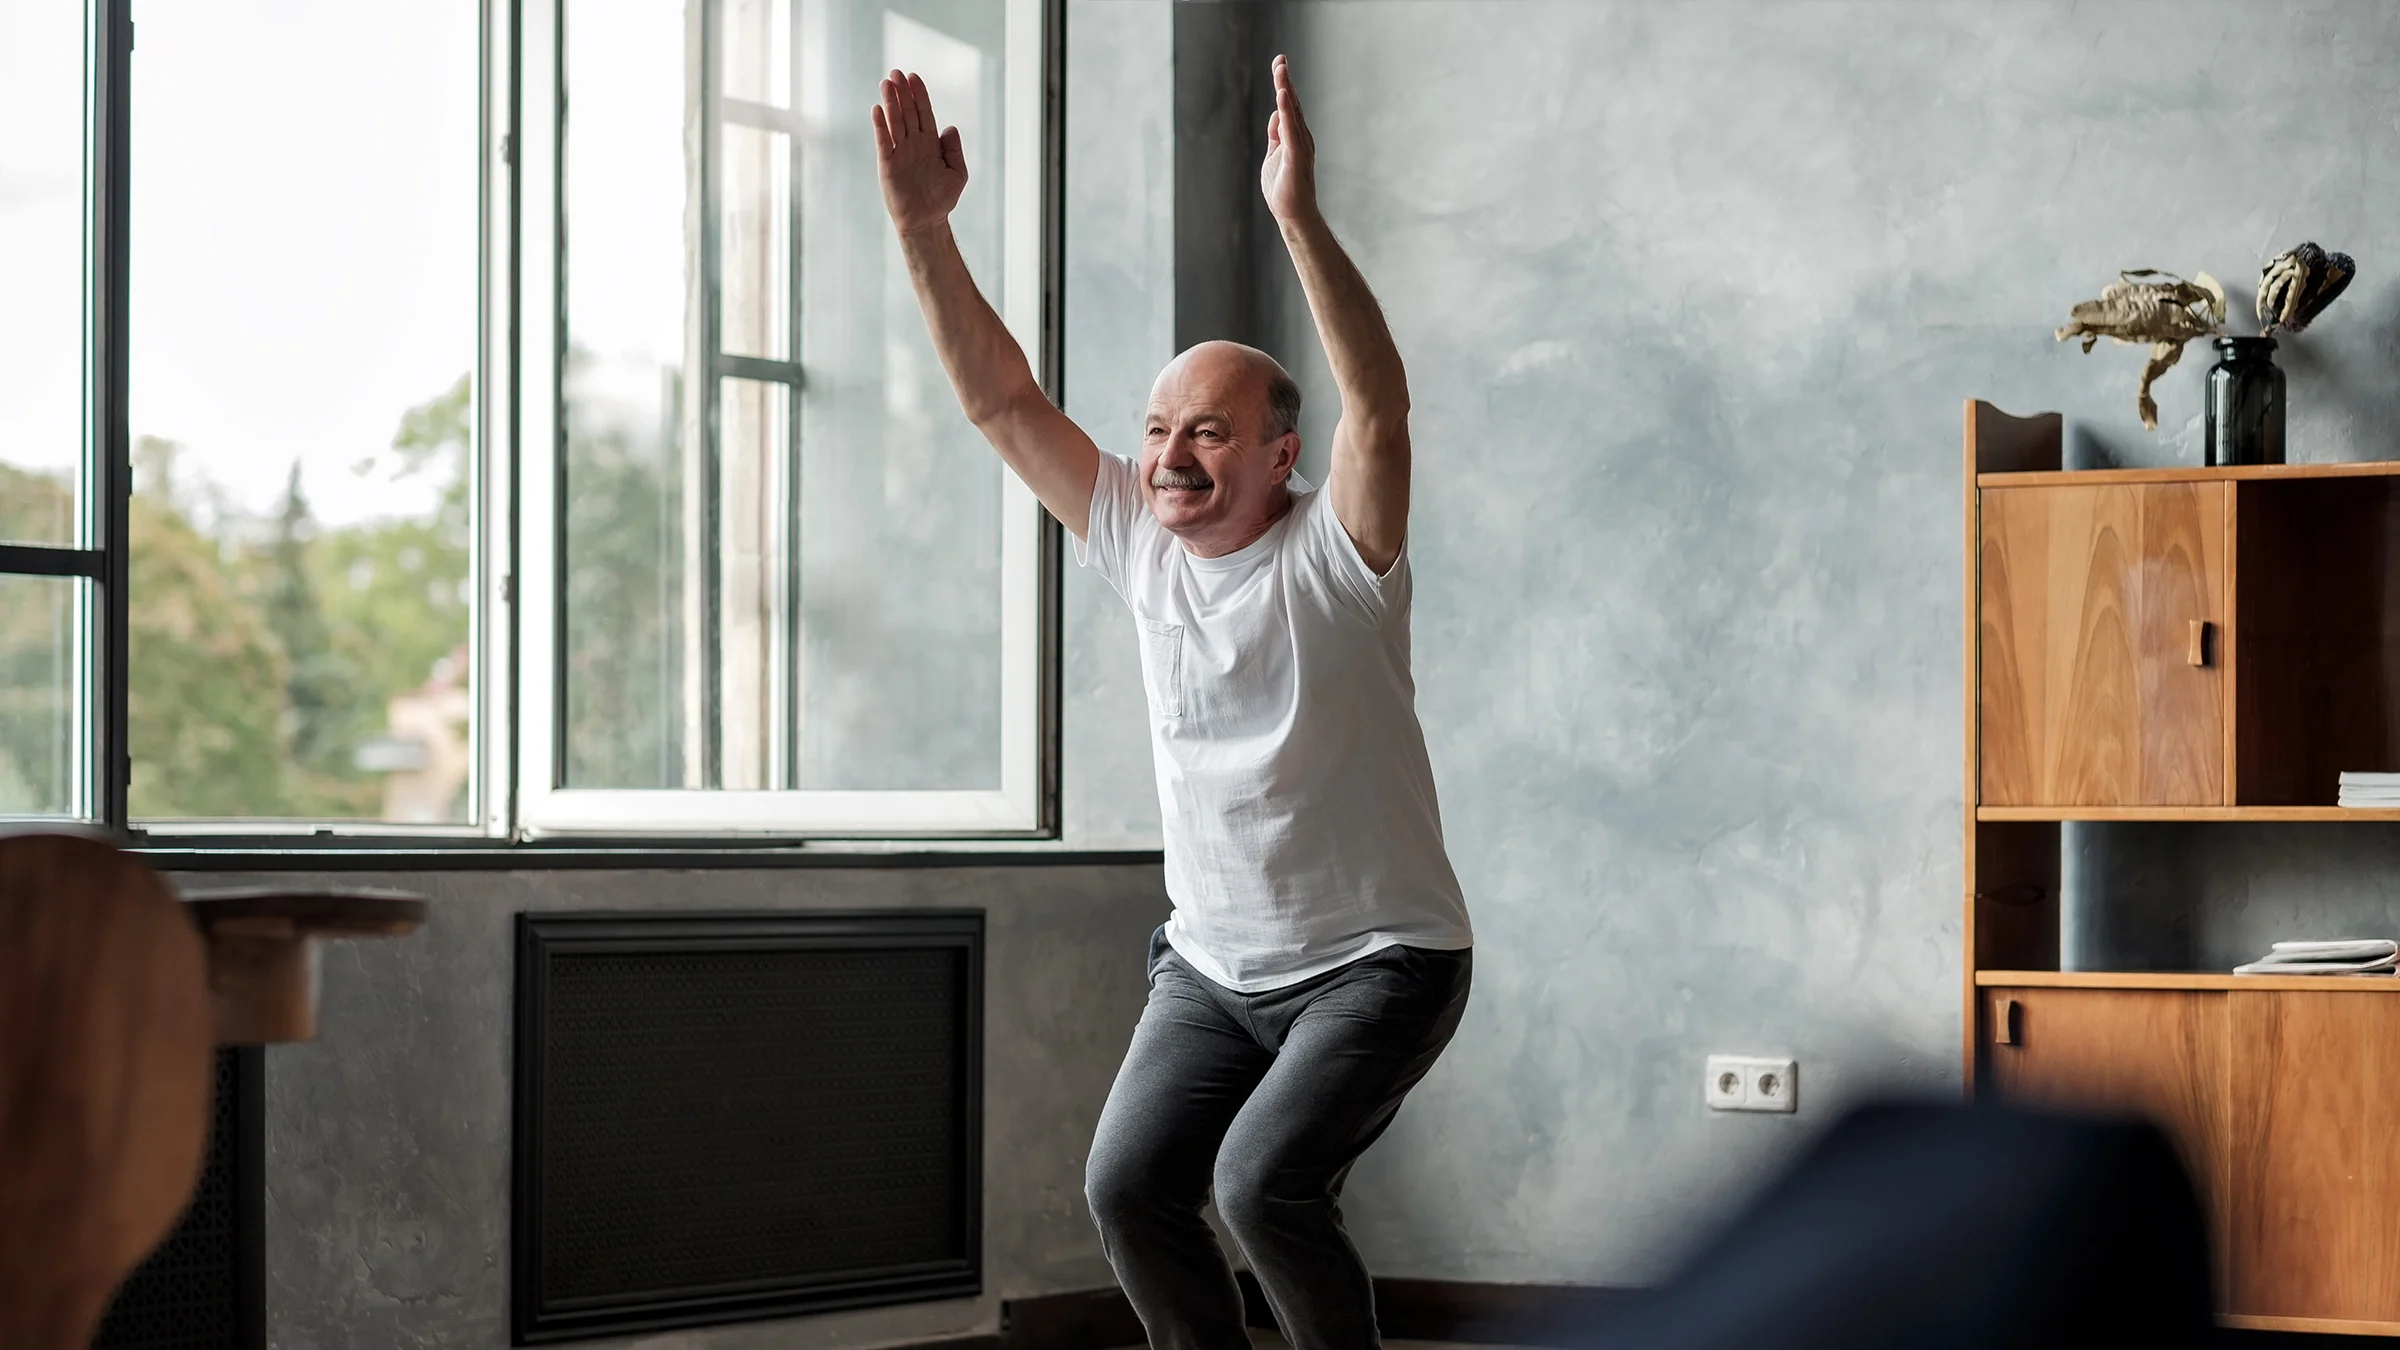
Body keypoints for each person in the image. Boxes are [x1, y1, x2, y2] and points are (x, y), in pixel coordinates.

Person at [875, 53, 1473, 1350]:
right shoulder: (1136, 540)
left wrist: (1295, 217)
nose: (1169, 455)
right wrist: (923, 227)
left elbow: (1379, 404)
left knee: (1263, 1185)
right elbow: (999, 399)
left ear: (1280, 453)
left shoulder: (1336, 555)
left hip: (1379, 961)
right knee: (1130, 1187)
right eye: (1156, 429)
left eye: (1207, 430)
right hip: (1211, 963)